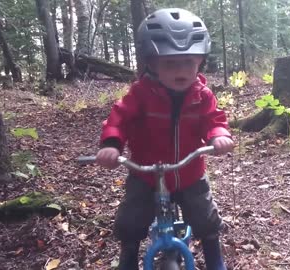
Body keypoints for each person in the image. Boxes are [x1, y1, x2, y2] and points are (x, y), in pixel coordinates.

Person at [95, 8, 233, 270]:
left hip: (189, 172)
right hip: (146, 174)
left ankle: (215, 258)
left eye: (188, 62)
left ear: (200, 62)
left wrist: (219, 135)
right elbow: (118, 118)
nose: (181, 71)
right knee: (131, 220)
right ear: (152, 63)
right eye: (170, 63)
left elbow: (215, 119)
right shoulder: (141, 93)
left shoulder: (202, 95)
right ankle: (128, 257)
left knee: (205, 218)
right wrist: (112, 144)